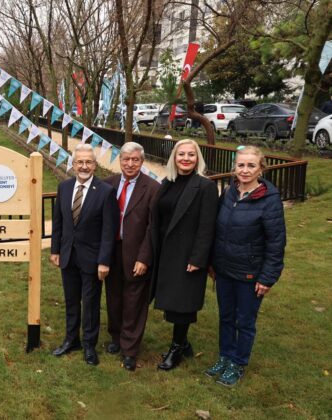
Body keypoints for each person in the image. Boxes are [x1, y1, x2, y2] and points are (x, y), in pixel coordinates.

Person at [206, 145, 286, 386]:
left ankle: (239, 363)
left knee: (245, 321)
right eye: (241, 165)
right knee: (226, 317)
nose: (245, 170)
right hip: (224, 270)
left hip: (250, 274)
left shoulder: (269, 200)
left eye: (251, 165)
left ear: (261, 168)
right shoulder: (229, 193)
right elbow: (216, 230)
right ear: (235, 167)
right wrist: (212, 262)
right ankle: (225, 356)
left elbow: (276, 242)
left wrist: (267, 277)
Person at [151, 139, 218, 371]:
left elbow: (208, 226)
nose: (186, 158)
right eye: (181, 154)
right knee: (172, 301)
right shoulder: (167, 182)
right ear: (174, 158)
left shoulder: (206, 187)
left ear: (197, 158)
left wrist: (198, 258)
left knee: (183, 303)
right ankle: (185, 343)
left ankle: (176, 348)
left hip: (187, 253)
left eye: (191, 154)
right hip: (166, 251)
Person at [50, 143, 118, 366]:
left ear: (95, 166)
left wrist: (104, 261)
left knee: (90, 304)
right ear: (73, 163)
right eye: (80, 161)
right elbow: (59, 223)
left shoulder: (106, 192)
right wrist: (55, 250)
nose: (84, 166)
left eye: (89, 162)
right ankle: (72, 340)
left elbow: (109, 230)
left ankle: (89, 344)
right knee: (71, 301)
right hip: (68, 255)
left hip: (92, 259)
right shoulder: (64, 187)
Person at [103, 142, 160, 371]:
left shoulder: (153, 188)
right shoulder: (109, 184)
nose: (130, 163)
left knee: (134, 302)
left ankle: (130, 349)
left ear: (142, 161)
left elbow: (153, 227)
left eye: (135, 159)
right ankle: (116, 338)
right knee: (114, 297)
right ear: (120, 160)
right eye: (126, 159)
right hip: (112, 250)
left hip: (136, 253)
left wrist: (144, 258)